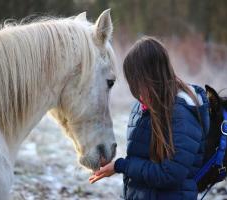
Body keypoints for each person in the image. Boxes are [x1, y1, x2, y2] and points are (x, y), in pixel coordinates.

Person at [89, 36, 210, 200]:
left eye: (139, 83)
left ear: (154, 77)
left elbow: (169, 174)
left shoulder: (183, 115)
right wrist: (111, 163)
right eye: (133, 84)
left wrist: (121, 166)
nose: (137, 92)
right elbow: (140, 160)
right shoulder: (141, 108)